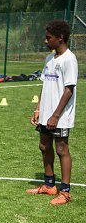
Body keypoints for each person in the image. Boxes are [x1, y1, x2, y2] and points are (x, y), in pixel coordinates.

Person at [28, 20, 78, 205]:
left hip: (60, 115)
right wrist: (39, 108)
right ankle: (49, 185)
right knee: (44, 147)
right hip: (47, 113)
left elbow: (68, 90)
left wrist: (56, 115)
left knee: (61, 149)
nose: (46, 41)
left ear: (60, 38)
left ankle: (65, 191)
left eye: (49, 38)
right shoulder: (50, 59)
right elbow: (45, 85)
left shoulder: (69, 59)